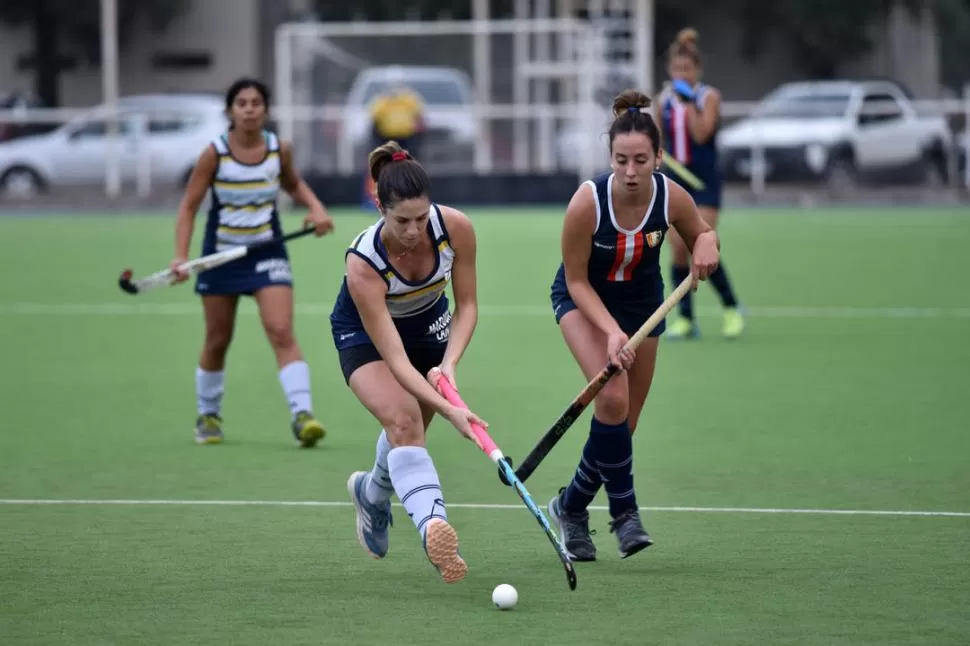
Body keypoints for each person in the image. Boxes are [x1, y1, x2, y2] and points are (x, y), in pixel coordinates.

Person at [547, 90, 721, 561]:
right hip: (585, 303)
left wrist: (708, 242)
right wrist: (608, 331)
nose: (630, 171)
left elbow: (702, 234)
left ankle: (570, 507)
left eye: (640, 160)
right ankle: (625, 514)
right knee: (611, 395)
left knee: (621, 426)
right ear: (609, 158)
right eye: (621, 160)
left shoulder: (670, 197)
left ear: (658, 158)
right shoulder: (586, 203)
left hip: (644, 307)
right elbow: (577, 281)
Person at [330, 141, 486, 584]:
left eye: (421, 218)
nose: (415, 230)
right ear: (379, 204)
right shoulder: (362, 264)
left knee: (407, 434)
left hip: (429, 326)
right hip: (365, 333)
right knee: (403, 420)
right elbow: (395, 361)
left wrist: (449, 366)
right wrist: (452, 408)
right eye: (402, 221)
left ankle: (372, 492)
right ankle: (433, 529)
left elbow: (468, 305)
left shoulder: (455, 228)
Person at [171, 77, 335, 447]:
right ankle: (208, 415)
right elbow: (189, 207)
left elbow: (293, 184)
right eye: (241, 103)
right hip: (220, 254)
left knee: (280, 330)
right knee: (217, 339)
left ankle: (302, 415)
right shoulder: (214, 153)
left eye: (256, 102)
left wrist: (316, 209)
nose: (249, 109)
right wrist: (181, 255)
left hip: (266, 251)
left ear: (265, 110)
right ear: (230, 111)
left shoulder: (279, 149)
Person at [657, 28, 744, 340]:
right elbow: (659, 140)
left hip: (705, 181)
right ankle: (686, 318)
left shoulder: (708, 97)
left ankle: (732, 308)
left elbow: (701, 134)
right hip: (677, 181)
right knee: (677, 250)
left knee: (700, 245)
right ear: (670, 71)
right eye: (677, 69)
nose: (682, 74)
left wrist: (690, 101)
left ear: (697, 70)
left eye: (687, 69)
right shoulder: (663, 101)